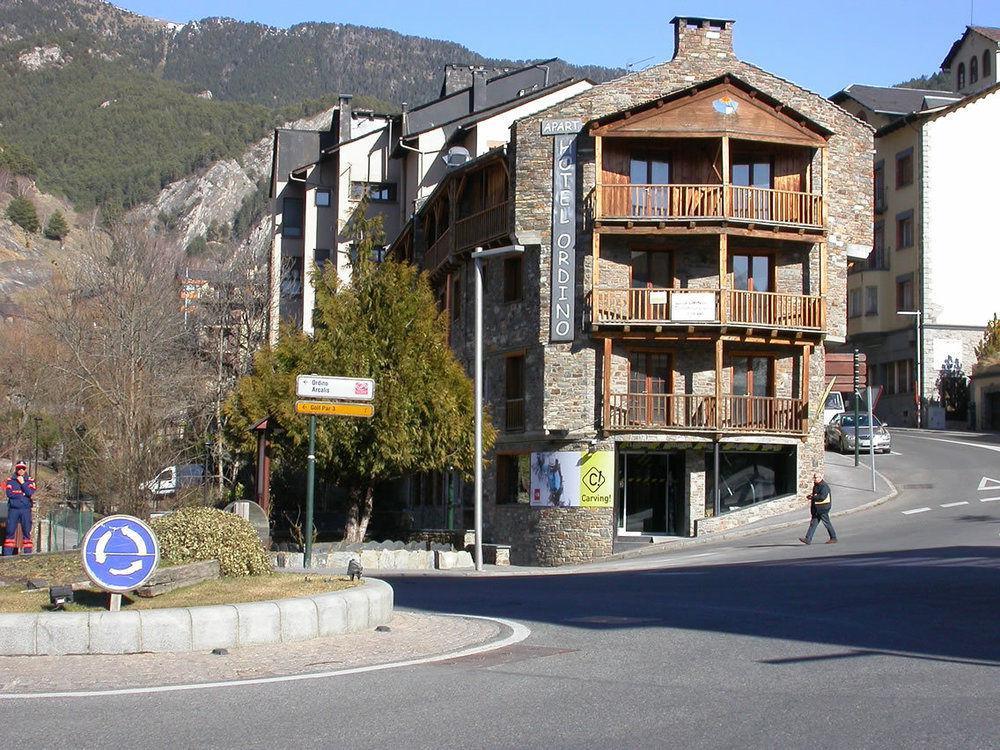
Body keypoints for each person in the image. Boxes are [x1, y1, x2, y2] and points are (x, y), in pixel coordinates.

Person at [4, 461, 36, 555]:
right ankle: (7, 555)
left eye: (23, 468)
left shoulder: (30, 480)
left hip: (25, 509)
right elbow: (9, 494)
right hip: (14, 509)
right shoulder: (10, 480)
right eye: (19, 468)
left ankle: (27, 554)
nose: (21, 470)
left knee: (27, 531)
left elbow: (30, 492)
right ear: (16, 469)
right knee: (10, 531)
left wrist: (23, 483)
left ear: (25, 469)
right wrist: (22, 494)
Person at [800, 470, 837, 545]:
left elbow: (822, 497)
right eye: (814, 477)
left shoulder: (824, 486)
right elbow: (816, 496)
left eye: (816, 477)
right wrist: (812, 497)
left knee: (826, 523)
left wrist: (813, 497)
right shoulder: (816, 486)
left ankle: (833, 538)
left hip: (823, 508)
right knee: (813, 523)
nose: (814, 479)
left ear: (820, 477)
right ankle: (808, 539)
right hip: (817, 508)